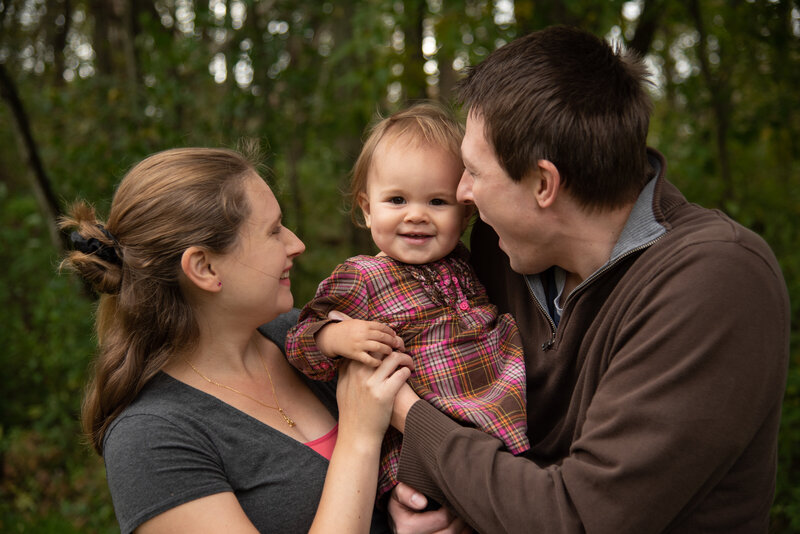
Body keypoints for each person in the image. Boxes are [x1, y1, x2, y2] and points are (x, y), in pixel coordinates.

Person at [387, 26, 790, 533]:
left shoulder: (716, 280)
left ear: (543, 184)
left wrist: (406, 414)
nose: (463, 193)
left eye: (474, 171)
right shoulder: (502, 245)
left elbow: (579, 518)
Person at [60, 146, 412, 533]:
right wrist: (360, 438)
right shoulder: (150, 439)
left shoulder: (307, 338)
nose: (296, 244)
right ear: (205, 267)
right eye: (274, 231)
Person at [285, 102, 529, 499]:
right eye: (397, 200)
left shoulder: (467, 265)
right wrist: (336, 338)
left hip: (497, 426)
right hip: (423, 447)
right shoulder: (362, 276)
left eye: (437, 202)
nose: (416, 215)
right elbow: (299, 341)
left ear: (465, 214)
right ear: (367, 208)